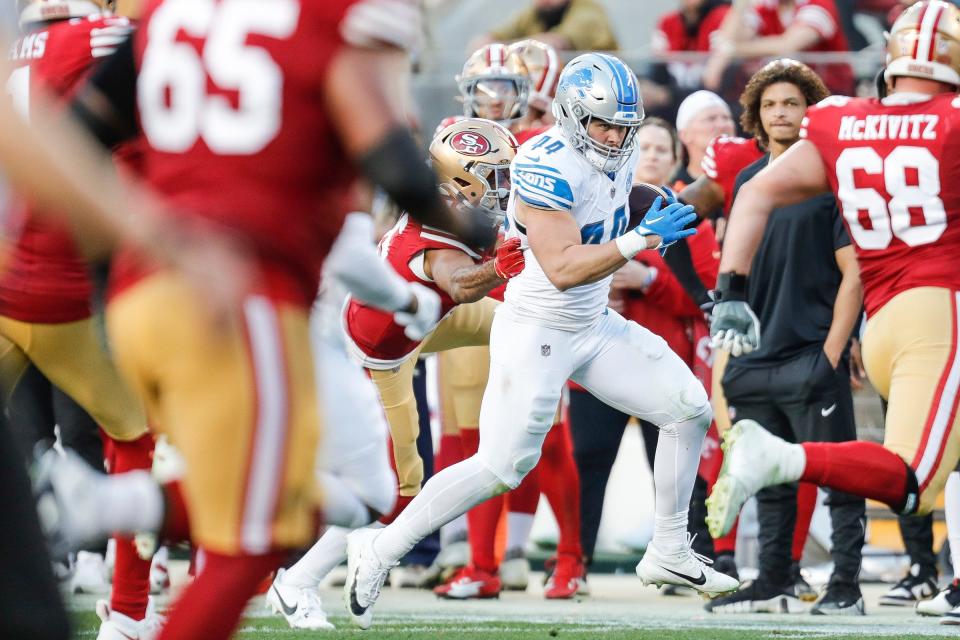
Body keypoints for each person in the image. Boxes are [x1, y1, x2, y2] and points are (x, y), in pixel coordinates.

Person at [36, 2, 497, 639]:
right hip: (240, 295)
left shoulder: (172, 16)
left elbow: (74, 133)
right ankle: (121, 527)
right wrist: (485, 231)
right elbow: (391, 160)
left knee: (324, 500)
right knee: (252, 543)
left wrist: (117, 258)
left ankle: (123, 506)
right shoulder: (328, 20)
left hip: (143, 292)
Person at [343, 52, 739, 631]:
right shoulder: (544, 164)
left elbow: (612, 200)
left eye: (624, 126)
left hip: (591, 324)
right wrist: (639, 242)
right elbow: (561, 267)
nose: (615, 136)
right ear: (574, 116)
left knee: (688, 409)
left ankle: (670, 548)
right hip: (537, 328)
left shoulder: (616, 149)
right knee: (502, 466)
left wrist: (651, 205)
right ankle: (377, 551)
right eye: (604, 124)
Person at [706, 1, 960, 577]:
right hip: (939, 312)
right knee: (914, 480)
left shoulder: (840, 120)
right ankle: (783, 457)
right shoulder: (952, 120)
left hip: (885, 320)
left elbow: (755, 194)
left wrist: (732, 291)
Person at [265, 117, 525, 621]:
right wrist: (501, 266)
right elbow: (459, 283)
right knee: (399, 488)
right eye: (495, 176)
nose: (504, 187)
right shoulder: (430, 239)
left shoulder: (452, 206)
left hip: (423, 320)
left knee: (528, 321)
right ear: (463, 182)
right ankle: (296, 582)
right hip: (379, 356)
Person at [7, 3, 164, 637]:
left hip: (3, 273)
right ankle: (128, 611)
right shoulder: (98, 35)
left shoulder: (17, 46)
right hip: (64, 286)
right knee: (132, 438)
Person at [702, 59, 866, 616]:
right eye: (771, 104)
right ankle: (774, 578)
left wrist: (831, 352)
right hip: (754, 356)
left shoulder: (830, 179)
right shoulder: (747, 183)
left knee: (839, 474)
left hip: (811, 353)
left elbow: (855, 272)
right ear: (756, 114)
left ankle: (846, 584)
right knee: (767, 479)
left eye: (792, 103)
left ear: (810, 112)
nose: (781, 113)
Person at [569, 117, 722, 586]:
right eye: (645, 146)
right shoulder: (590, 198)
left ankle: (690, 556)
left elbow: (702, 295)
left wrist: (648, 279)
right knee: (589, 460)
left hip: (662, 356)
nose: (651, 155)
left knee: (678, 462)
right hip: (592, 357)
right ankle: (573, 564)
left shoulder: (680, 210)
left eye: (660, 148)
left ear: (675, 157)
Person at [704, 0, 856, 96]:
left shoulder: (820, 4)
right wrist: (740, 4)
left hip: (827, 92)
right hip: (781, 92)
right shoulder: (768, 6)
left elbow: (787, 45)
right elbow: (730, 38)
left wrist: (733, 50)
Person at [470, 0, 618, 53]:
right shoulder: (532, 14)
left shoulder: (588, 11)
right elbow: (479, 45)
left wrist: (499, 50)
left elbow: (554, 44)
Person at [672, 90, 736, 188]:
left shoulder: (751, 178)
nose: (722, 125)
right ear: (685, 134)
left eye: (726, 118)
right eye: (711, 118)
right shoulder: (672, 191)